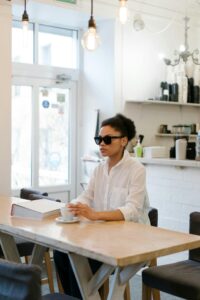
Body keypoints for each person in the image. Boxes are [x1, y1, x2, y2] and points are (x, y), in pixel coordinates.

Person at [54, 113, 150, 298]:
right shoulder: (99, 169)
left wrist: (95, 215)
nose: (101, 144)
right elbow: (87, 195)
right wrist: (74, 206)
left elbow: (133, 210)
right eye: (99, 139)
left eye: (107, 139)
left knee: (79, 261)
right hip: (103, 236)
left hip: (129, 239)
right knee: (61, 254)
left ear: (123, 141)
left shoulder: (136, 169)